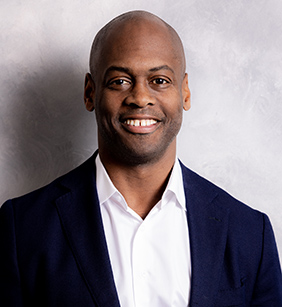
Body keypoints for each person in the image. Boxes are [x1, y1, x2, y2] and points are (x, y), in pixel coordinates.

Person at [0, 10, 281, 307]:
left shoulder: (250, 234)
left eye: (159, 80)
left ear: (184, 92)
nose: (140, 97)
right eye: (120, 81)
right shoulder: (23, 229)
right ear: (89, 92)